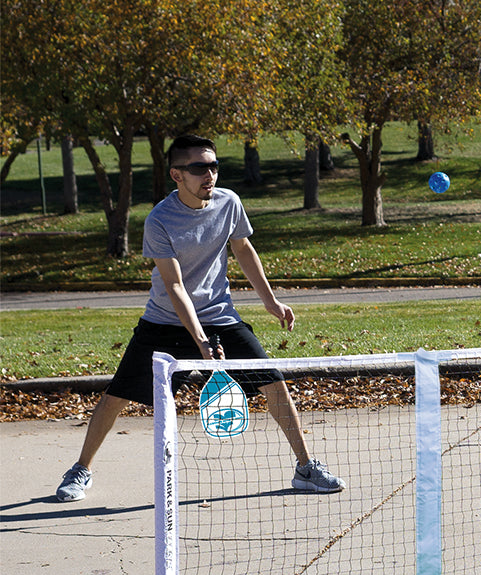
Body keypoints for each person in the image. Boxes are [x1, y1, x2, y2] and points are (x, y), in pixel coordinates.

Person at [55, 135, 344, 502]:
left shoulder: (229, 203)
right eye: (198, 168)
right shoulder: (160, 220)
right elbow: (174, 285)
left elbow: (243, 248)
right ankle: (81, 469)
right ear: (177, 174)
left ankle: (305, 468)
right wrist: (201, 341)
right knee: (117, 396)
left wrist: (270, 301)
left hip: (220, 317)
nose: (209, 174)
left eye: (213, 166)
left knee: (273, 382)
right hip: (164, 321)